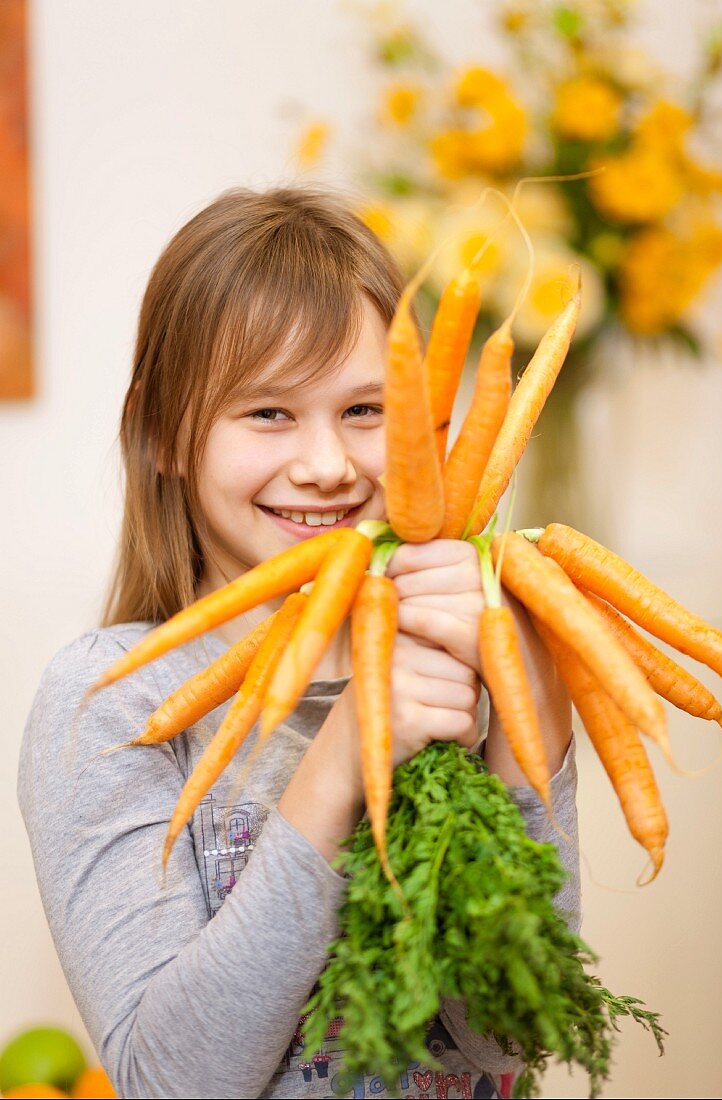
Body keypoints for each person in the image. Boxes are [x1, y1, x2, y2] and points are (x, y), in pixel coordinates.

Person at [18, 186, 579, 1100]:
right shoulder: (113, 701)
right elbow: (173, 1083)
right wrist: (346, 754)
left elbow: (510, 1038)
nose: (326, 464)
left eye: (363, 411)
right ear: (164, 432)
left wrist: (527, 731)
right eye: (269, 413)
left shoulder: (460, 668)